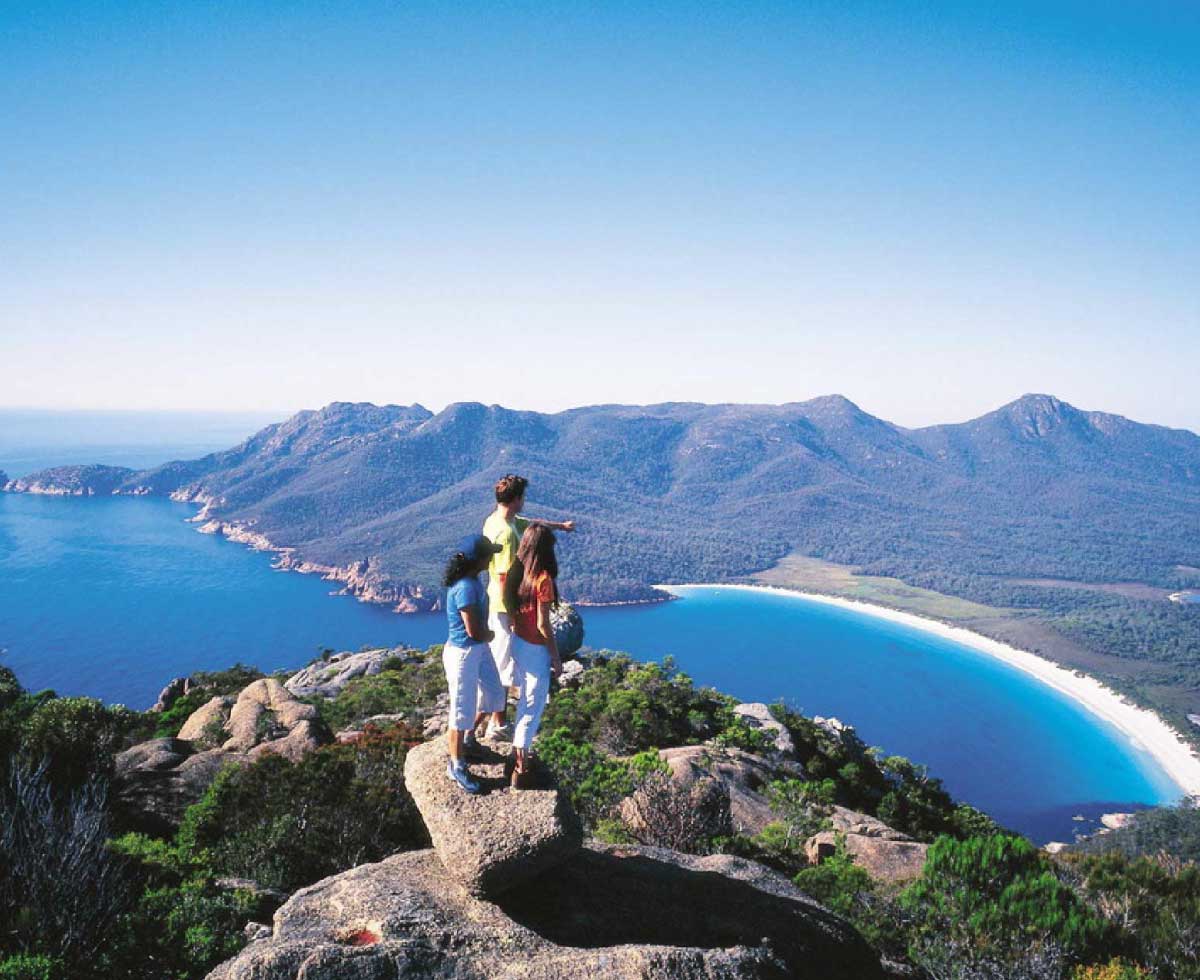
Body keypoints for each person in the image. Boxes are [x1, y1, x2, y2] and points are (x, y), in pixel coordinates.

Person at [480, 474, 574, 739]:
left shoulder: (497, 520)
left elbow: (534, 524)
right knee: (502, 664)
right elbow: (506, 577)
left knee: (506, 662)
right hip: (503, 606)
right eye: (523, 497)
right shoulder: (507, 535)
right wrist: (513, 614)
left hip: (500, 603)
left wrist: (561, 526)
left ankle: (495, 721)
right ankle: (496, 725)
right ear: (517, 498)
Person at [441, 534, 505, 794]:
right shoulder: (466, 587)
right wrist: (491, 635)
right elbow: (473, 631)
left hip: (477, 650)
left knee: (494, 694)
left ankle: (468, 739)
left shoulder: (472, 582)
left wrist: (486, 638)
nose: (492, 557)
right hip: (464, 654)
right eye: (489, 554)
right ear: (476, 560)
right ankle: (456, 765)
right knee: (460, 711)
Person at [504, 524, 564, 789]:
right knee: (533, 707)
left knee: (524, 703)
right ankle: (521, 768)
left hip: (517, 641)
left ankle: (517, 754)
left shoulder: (517, 573)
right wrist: (555, 656)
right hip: (535, 649)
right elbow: (543, 624)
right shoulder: (543, 580)